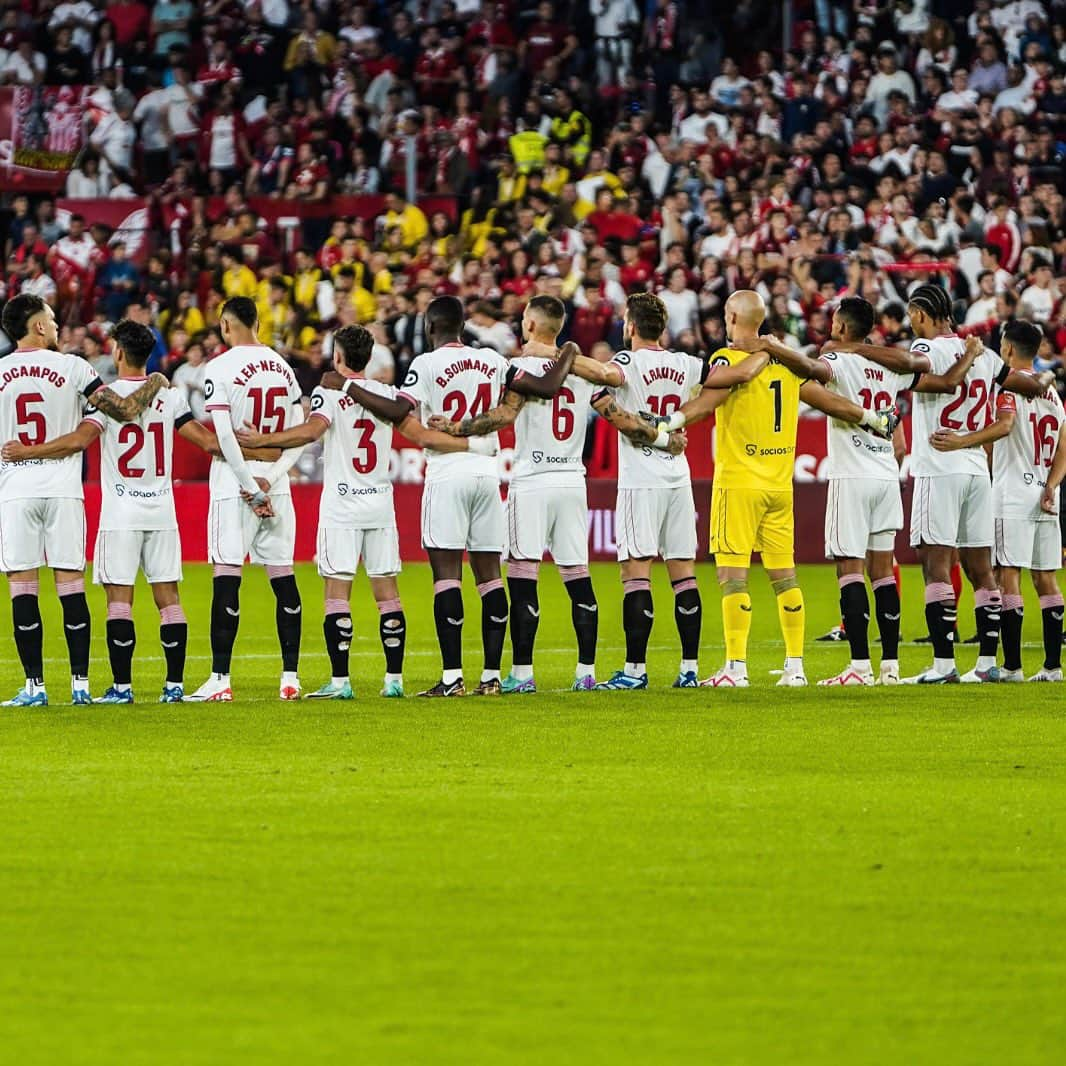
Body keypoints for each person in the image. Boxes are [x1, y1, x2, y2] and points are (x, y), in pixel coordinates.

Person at [321, 295, 574, 697]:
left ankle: (453, 677)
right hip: (487, 474)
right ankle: (491, 676)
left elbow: (395, 410)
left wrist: (349, 384)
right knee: (491, 579)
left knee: (447, 579)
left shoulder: (425, 365)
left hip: (446, 473)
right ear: (463, 325)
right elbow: (546, 386)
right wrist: (569, 351)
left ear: (428, 326)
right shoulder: (492, 359)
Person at [656, 290, 898, 688]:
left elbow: (708, 400)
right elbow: (826, 400)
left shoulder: (726, 359)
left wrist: (672, 421)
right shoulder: (787, 363)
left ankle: (735, 668)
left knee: (733, 579)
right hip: (779, 487)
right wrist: (869, 417)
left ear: (733, 318)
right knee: (785, 578)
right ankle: (796, 667)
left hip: (738, 483)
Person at [237, 324, 485, 699]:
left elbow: (310, 432)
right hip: (380, 504)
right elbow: (420, 435)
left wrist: (261, 440)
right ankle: (394, 681)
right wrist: (474, 446)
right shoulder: (387, 394)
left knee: (337, 593)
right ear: (368, 358)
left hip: (342, 504)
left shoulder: (329, 394)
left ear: (338, 357)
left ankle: (340, 683)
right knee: (388, 594)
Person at [430, 295, 654, 692]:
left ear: (530, 326)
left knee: (522, 576)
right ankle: (586, 672)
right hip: (572, 481)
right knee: (578, 577)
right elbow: (620, 418)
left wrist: (455, 427)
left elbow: (504, 415)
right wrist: (662, 436)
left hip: (532, 479)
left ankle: (522, 674)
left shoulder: (519, 369)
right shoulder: (583, 372)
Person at [0, 319, 231, 703]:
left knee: (119, 602)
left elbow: (78, 439)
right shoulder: (169, 396)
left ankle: (121, 687)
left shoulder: (103, 399)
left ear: (118, 352)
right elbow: (206, 442)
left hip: (120, 513)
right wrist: (254, 455)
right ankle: (174, 686)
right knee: (169, 599)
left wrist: (28, 451)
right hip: (162, 511)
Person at [805, 298, 982, 686]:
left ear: (839, 325)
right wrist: (969, 356)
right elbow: (947, 382)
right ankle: (890, 666)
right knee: (883, 571)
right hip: (887, 475)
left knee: (849, 569)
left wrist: (775, 349)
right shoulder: (891, 367)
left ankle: (858, 667)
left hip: (851, 476)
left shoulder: (836, 361)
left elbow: (808, 379)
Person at [0, 294, 166, 706]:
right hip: (64, 490)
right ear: (37, 326)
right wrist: (156, 381)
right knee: (70, 587)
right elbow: (126, 410)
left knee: (23, 588)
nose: (57, 327)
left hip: (16, 491)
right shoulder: (74, 367)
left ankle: (34, 687)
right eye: (52, 320)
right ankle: (80, 685)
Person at [568, 292, 734, 690]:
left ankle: (635, 671)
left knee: (635, 573)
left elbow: (607, 376)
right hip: (678, 476)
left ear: (630, 326)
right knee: (684, 574)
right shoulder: (685, 363)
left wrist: (565, 355)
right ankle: (690, 669)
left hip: (641, 479)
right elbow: (723, 386)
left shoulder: (628, 361)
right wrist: (682, 420)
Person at [900, 285, 1052, 684]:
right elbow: (1026, 385)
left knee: (936, 566)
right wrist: (1044, 379)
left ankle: (943, 663)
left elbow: (918, 372)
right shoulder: (986, 355)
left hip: (939, 465)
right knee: (982, 570)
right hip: (976, 472)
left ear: (919, 315)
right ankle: (987, 662)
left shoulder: (929, 351)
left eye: (911, 315)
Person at [186, 297, 309, 702]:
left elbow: (223, 436)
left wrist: (250, 485)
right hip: (275, 483)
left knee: (226, 576)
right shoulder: (285, 368)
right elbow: (299, 436)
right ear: (258, 321)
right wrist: (270, 479)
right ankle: (290, 678)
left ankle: (220, 680)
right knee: (283, 576)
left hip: (233, 483)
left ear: (225, 325)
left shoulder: (218, 367)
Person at [933, 320, 1065, 682]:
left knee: (1008, 574)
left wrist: (962, 441)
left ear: (1007, 351)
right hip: (1045, 492)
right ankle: (1053, 666)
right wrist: (1052, 485)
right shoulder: (1053, 396)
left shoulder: (1008, 388)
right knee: (1046, 579)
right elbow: (1063, 451)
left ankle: (1011, 667)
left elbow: (1004, 426)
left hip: (1013, 494)